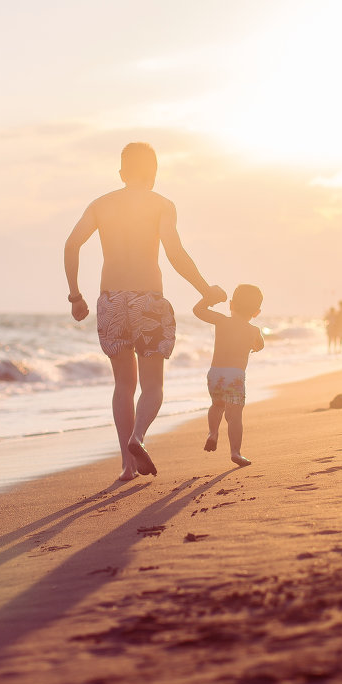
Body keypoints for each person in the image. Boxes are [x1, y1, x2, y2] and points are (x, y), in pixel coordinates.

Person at [64, 142, 226, 480]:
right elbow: (175, 253)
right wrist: (205, 289)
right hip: (149, 300)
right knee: (153, 386)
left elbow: (72, 244)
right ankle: (138, 437)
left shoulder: (101, 204)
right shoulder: (162, 205)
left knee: (123, 384)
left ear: (122, 172)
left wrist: (75, 296)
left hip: (110, 301)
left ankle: (126, 465)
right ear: (153, 173)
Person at [195, 284, 265, 467]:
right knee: (234, 416)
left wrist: (208, 298)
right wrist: (253, 345)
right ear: (257, 312)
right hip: (235, 376)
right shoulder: (254, 330)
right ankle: (235, 452)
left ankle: (212, 433)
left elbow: (198, 310)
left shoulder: (221, 320)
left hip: (215, 373)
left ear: (231, 304)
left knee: (216, 405)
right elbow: (260, 346)